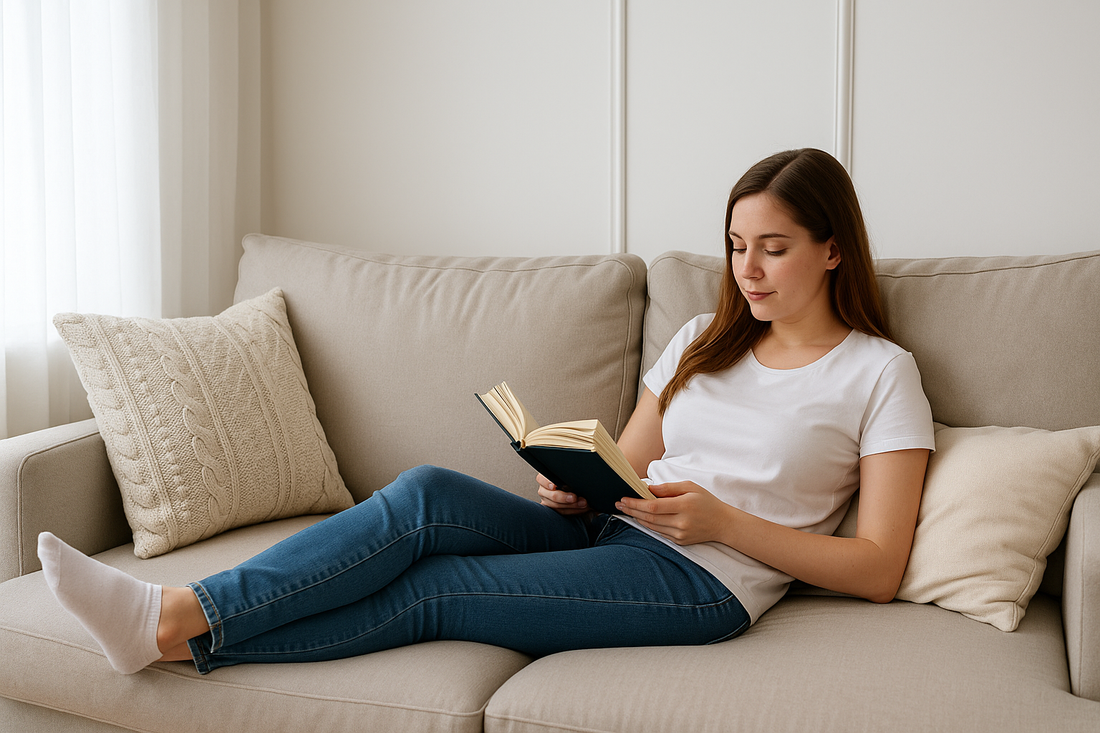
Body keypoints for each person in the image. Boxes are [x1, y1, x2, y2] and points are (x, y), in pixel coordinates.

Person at [38, 148, 934, 676]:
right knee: (424, 490)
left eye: (774, 248)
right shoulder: (702, 336)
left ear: (831, 250)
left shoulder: (879, 374)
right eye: (738, 245)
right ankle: (180, 613)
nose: (748, 268)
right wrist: (582, 488)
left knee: (438, 590)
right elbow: (626, 465)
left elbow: (877, 566)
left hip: (705, 583)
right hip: (617, 537)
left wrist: (723, 520)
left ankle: (175, 630)